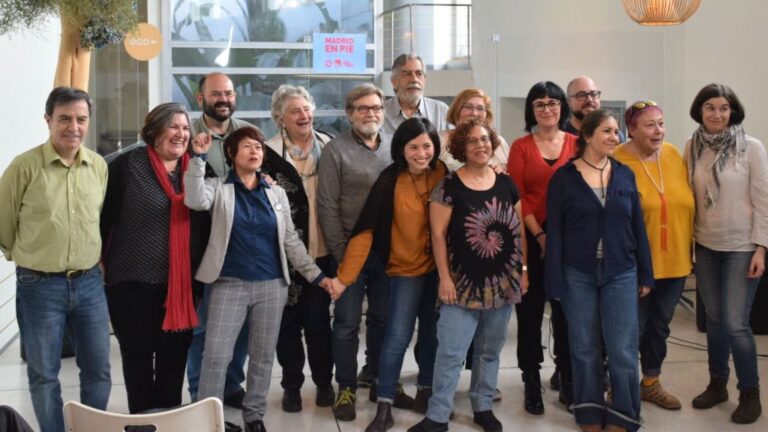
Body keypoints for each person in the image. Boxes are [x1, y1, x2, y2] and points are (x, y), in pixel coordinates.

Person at [186, 126, 331, 432]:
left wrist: (316, 276)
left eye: (259, 148)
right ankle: (208, 418)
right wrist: (198, 157)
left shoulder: (274, 191)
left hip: (272, 285)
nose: (255, 152)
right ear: (231, 154)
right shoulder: (218, 187)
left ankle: (254, 415)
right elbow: (195, 200)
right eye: (247, 147)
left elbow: (291, 240)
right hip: (228, 283)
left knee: (263, 355)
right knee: (216, 354)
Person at [0, 87, 111, 432]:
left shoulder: (98, 166)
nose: (73, 127)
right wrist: (24, 257)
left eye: (81, 119)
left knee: (98, 370)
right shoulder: (24, 166)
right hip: (39, 285)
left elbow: (99, 219)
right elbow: (3, 222)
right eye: (64, 118)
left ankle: (91, 428)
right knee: (44, 374)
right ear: (48, 120)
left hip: (90, 283)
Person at [409, 117, 527, 432]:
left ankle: (483, 406)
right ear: (462, 146)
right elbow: (437, 236)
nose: (481, 145)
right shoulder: (448, 186)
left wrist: (523, 270)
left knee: (490, 351)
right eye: (473, 140)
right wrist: (445, 279)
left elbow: (519, 231)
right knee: (450, 353)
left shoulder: (506, 182)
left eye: (485, 139)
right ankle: (437, 416)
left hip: (503, 284)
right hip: (461, 286)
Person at [329, 118, 447, 431]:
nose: (421, 153)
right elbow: (365, 231)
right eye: (413, 147)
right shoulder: (390, 179)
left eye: (426, 146)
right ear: (401, 150)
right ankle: (384, 404)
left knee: (433, 334)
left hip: (439, 271)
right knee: (397, 335)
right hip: (405, 271)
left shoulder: (442, 174)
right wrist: (345, 277)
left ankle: (426, 391)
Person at [545, 109, 653, 432]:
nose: (614, 137)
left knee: (621, 348)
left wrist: (646, 273)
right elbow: (556, 233)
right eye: (606, 131)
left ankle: (624, 414)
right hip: (577, 273)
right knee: (584, 346)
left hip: (621, 272)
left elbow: (637, 227)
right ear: (587, 136)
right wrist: (554, 281)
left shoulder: (624, 174)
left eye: (616, 132)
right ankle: (589, 410)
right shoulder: (564, 178)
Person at [100, 102, 207, 413]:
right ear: (154, 130)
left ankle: (168, 420)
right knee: (137, 358)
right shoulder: (126, 166)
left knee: (174, 360)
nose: (181, 133)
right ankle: (143, 422)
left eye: (186, 128)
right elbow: (103, 218)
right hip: (130, 284)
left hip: (181, 287)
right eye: (174, 126)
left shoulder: (198, 168)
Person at [318, 83, 410, 421]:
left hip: (390, 253)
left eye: (375, 108)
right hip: (349, 254)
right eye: (362, 108)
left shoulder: (396, 147)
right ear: (349, 114)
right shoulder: (335, 151)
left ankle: (379, 377)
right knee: (345, 323)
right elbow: (326, 206)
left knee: (384, 320)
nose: (370, 114)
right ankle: (346, 386)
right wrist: (342, 255)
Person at [685, 83, 766, 424]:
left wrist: (762, 247)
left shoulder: (751, 148)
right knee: (714, 321)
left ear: (733, 111)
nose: (717, 114)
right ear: (700, 112)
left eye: (723, 108)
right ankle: (717, 383)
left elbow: (764, 201)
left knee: (735, 324)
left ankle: (750, 392)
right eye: (710, 108)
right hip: (705, 245)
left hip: (741, 247)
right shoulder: (693, 147)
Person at [613, 101, 694, 411]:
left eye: (660, 123)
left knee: (659, 326)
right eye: (649, 125)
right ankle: (619, 387)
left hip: (675, 262)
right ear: (631, 130)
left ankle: (650, 382)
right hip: (635, 264)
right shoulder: (617, 160)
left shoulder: (674, 155)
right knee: (630, 328)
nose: (658, 130)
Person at [507, 81, 578, 415]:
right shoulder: (521, 147)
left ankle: (567, 379)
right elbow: (518, 197)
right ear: (531, 110)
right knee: (530, 313)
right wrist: (540, 236)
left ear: (562, 107)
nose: (547, 109)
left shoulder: (578, 145)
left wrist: (558, 238)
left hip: (571, 240)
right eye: (539, 104)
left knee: (566, 314)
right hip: (530, 238)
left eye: (553, 103)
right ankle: (531, 381)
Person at [187, 71, 256, 409]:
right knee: (202, 328)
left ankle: (230, 384)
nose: (224, 99)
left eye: (228, 92)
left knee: (240, 324)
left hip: (242, 249)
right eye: (216, 93)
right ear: (200, 99)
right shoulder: (186, 134)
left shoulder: (248, 132)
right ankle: (200, 392)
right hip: (200, 246)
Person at [265, 84, 335, 412]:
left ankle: (323, 382)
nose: (304, 115)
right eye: (295, 111)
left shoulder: (330, 146)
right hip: (283, 256)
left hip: (323, 251)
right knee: (287, 326)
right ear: (281, 117)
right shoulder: (267, 153)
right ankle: (291, 385)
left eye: (306, 109)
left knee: (319, 323)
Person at [439, 88, 509, 171]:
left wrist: (503, 168)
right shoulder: (440, 139)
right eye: (468, 107)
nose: (474, 113)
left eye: (480, 108)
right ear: (457, 110)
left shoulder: (499, 142)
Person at [382, 53, 449, 137]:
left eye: (419, 73)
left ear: (424, 80)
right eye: (407, 74)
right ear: (394, 82)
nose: (414, 79)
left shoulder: (441, 111)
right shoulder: (380, 113)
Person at [564, 76, 626, 143]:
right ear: (568, 102)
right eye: (581, 95)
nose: (589, 100)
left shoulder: (615, 136)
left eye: (593, 94)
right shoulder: (558, 136)